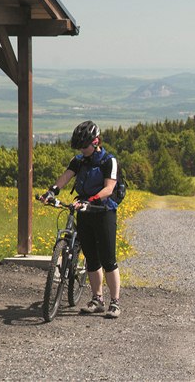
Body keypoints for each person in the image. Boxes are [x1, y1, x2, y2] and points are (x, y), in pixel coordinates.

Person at [39, 120, 122, 319]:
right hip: (84, 212)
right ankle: (97, 299)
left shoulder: (108, 161)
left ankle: (115, 303)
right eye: (79, 147)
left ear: (96, 142)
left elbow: (109, 188)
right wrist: (51, 192)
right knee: (92, 259)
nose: (82, 150)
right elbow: (65, 177)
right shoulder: (79, 160)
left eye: (84, 146)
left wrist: (90, 200)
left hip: (103, 211)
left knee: (108, 259)